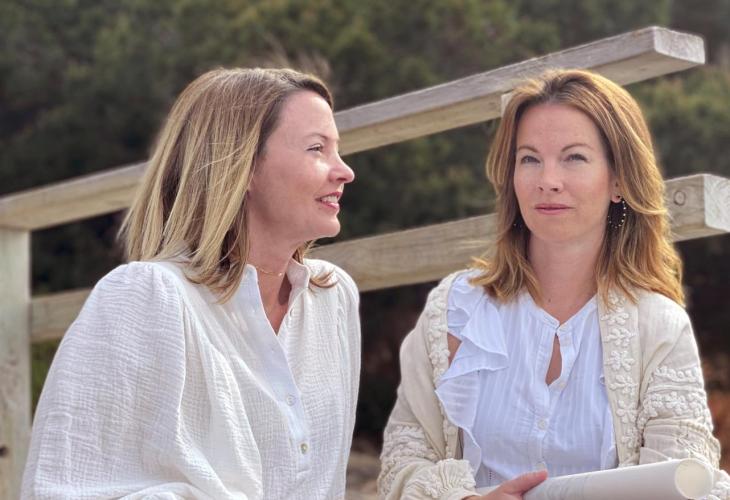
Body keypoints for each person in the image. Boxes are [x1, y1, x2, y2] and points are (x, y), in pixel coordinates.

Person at [377, 69, 729, 500]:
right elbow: (403, 460)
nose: (547, 180)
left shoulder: (659, 326)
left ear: (619, 180)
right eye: (529, 159)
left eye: (574, 157)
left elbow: (683, 482)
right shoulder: (454, 308)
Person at [22, 68, 359, 499]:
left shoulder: (332, 297)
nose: (344, 171)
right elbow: (61, 487)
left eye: (337, 150)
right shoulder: (142, 296)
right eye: (317, 149)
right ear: (243, 166)